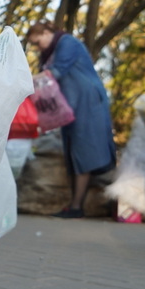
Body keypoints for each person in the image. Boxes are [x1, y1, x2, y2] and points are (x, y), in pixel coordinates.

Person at [26, 21, 116, 219]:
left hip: (87, 104)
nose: (37, 47)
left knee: (84, 152)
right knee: (73, 152)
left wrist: (24, 81)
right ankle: (74, 205)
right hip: (70, 107)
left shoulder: (67, 43)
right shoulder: (48, 53)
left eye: (37, 41)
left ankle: (77, 206)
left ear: (48, 32)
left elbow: (55, 73)